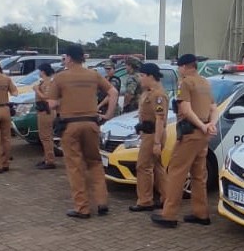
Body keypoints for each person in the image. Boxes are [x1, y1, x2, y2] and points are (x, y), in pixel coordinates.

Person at [48, 45, 118, 218]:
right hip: (92, 124)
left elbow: (51, 104)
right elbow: (114, 92)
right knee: (95, 162)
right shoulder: (94, 75)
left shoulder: (60, 77)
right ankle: (102, 202)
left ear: (69, 58)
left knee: (75, 166)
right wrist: (108, 115)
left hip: (70, 126)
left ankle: (82, 208)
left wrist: (62, 103)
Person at [151, 54, 218, 228]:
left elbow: (186, 110)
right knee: (198, 174)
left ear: (184, 67)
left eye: (179, 67)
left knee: (176, 171)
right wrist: (210, 125)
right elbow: (213, 108)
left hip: (190, 134)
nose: (178, 71)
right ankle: (201, 213)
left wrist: (202, 127)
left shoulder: (185, 82)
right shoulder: (205, 82)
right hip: (202, 136)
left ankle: (169, 214)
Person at [129, 63, 169, 212]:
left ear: (150, 76)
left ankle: (145, 201)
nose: (140, 79)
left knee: (143, 166)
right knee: (157, 167)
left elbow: (160, 119)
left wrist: (157, 142)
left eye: (142, 76)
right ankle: (167, 197)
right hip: (148, 133)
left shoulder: (158, 95)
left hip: (153, 134)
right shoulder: (148, 92)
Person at [33, 63, 57, 170]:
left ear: (43, 71)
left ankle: (50, 160)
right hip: (42, 111)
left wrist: (37, 90)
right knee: (44, 136)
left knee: (46, 137)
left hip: (46, 111)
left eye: (39, 71)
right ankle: (47, 157)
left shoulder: (48, 82)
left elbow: (47, 97)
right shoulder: (45, 82)